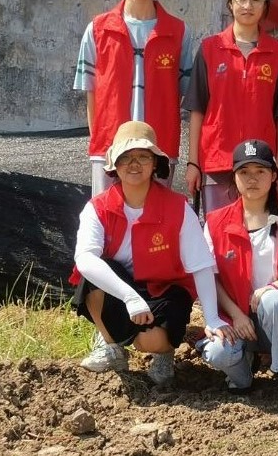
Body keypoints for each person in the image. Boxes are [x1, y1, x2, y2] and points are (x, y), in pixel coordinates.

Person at [70, 121, 227, 384]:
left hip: (165, 290)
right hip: (123, 289)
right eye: (126, 157)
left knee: (149, 341)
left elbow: (201, 264)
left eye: (143, 156)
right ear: (114, 164)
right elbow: (84, 259)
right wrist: (129, 297)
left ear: (155, 163)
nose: (134, 164)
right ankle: (111, 346)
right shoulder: (98, 208)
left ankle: (164, 353)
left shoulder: (177, 207)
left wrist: (211, 317)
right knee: (94, 275)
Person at [198, 139, 278, 411]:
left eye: (260, 171)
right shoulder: (216, 222)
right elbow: (211, 278)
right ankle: (242, 375)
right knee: (217, 352)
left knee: (273, 300)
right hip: (236, 318)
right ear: (234, 176)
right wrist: (236, 315)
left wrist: (275, 286)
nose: (252, 179)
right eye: (244, 172)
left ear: (274, 176)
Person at [73, 0, 196, 196]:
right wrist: (100, 141)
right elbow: (91, 93)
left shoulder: (178, 32)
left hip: (160, 148)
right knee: (108, 216)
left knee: (157, 218)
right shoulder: (98, 29)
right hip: (109, 148)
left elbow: (183, 94)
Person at [183, 0, 278, 213]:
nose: (248, 6)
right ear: (230, 3)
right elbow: (197, 109)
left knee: (256, 230)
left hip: (261, 164)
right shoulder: (210, 48)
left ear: (265, 5)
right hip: (217, 160)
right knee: (218, 230)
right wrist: (193, 162)